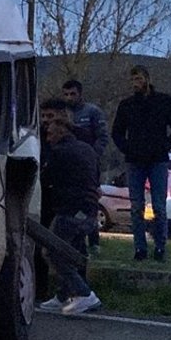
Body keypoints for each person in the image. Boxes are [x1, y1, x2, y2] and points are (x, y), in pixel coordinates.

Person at [110, 65, 171, 262]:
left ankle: (160, 247)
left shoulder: (164, 102)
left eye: (138, 79)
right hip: (135, 160)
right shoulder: (127, 105)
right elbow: (117, 132)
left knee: (159, 207)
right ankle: (140, 248)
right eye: (133, 80)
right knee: (136, 206)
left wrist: (165, 146)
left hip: (157, 160)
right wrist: (128, 148)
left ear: (147, 79)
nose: (135, 83)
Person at [36, 116, 101, 315]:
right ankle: (63, 295)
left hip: (70, 209)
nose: (48, 138)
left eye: (50, 134)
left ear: (61, 132)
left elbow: (45, 179)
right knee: (72, 253)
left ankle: (83, 293)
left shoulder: (59, 153)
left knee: (53, 251)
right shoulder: (87, 149)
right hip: (90, 209)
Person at [62, 79, 108, 254]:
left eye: (72, 94)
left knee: (90, 201)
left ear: (80, 94)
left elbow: (102, 137)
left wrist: (92, 156)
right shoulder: (63, 113)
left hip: (89, 165)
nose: (69, 97)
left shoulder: (92, 112)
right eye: (66, 94)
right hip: (68, 164)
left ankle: (94, 241)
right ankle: (74, 237)